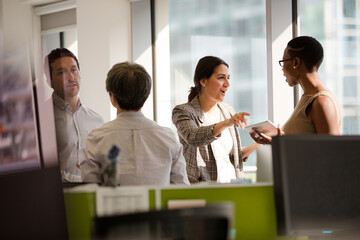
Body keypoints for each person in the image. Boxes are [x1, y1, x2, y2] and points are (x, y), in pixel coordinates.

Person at [80, 62, 189, 186]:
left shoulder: (96, 139)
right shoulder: (168, 138)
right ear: (146, 95)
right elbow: (182, 190)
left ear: (113, 97)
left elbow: (90, 193)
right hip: (159, 205)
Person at [172, 56, 258, 183]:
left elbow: (232, 157)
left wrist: (260, 142)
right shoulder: (183, 111)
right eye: (221, 78)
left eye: (228, 78)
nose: (227, 84)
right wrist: (227, 123)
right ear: (203, 80)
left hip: (232, 186)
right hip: (203, 190)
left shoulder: (228, 111)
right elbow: (193, 137)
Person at [251, 36, 341, 144]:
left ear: (296, 62)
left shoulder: (321, 101)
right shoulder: (307, 98)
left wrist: (281, 144)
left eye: (283, 61)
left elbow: (332, 153)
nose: (282, 68)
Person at [45, 48, 105, 182]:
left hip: (91, 197)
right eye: (62, 72)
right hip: (55, 199)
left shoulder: (97, 120)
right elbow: (42, 171)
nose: (71, 77)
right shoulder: (41, 119)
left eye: (74, 70)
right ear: (50, 81)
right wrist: (80, 180)